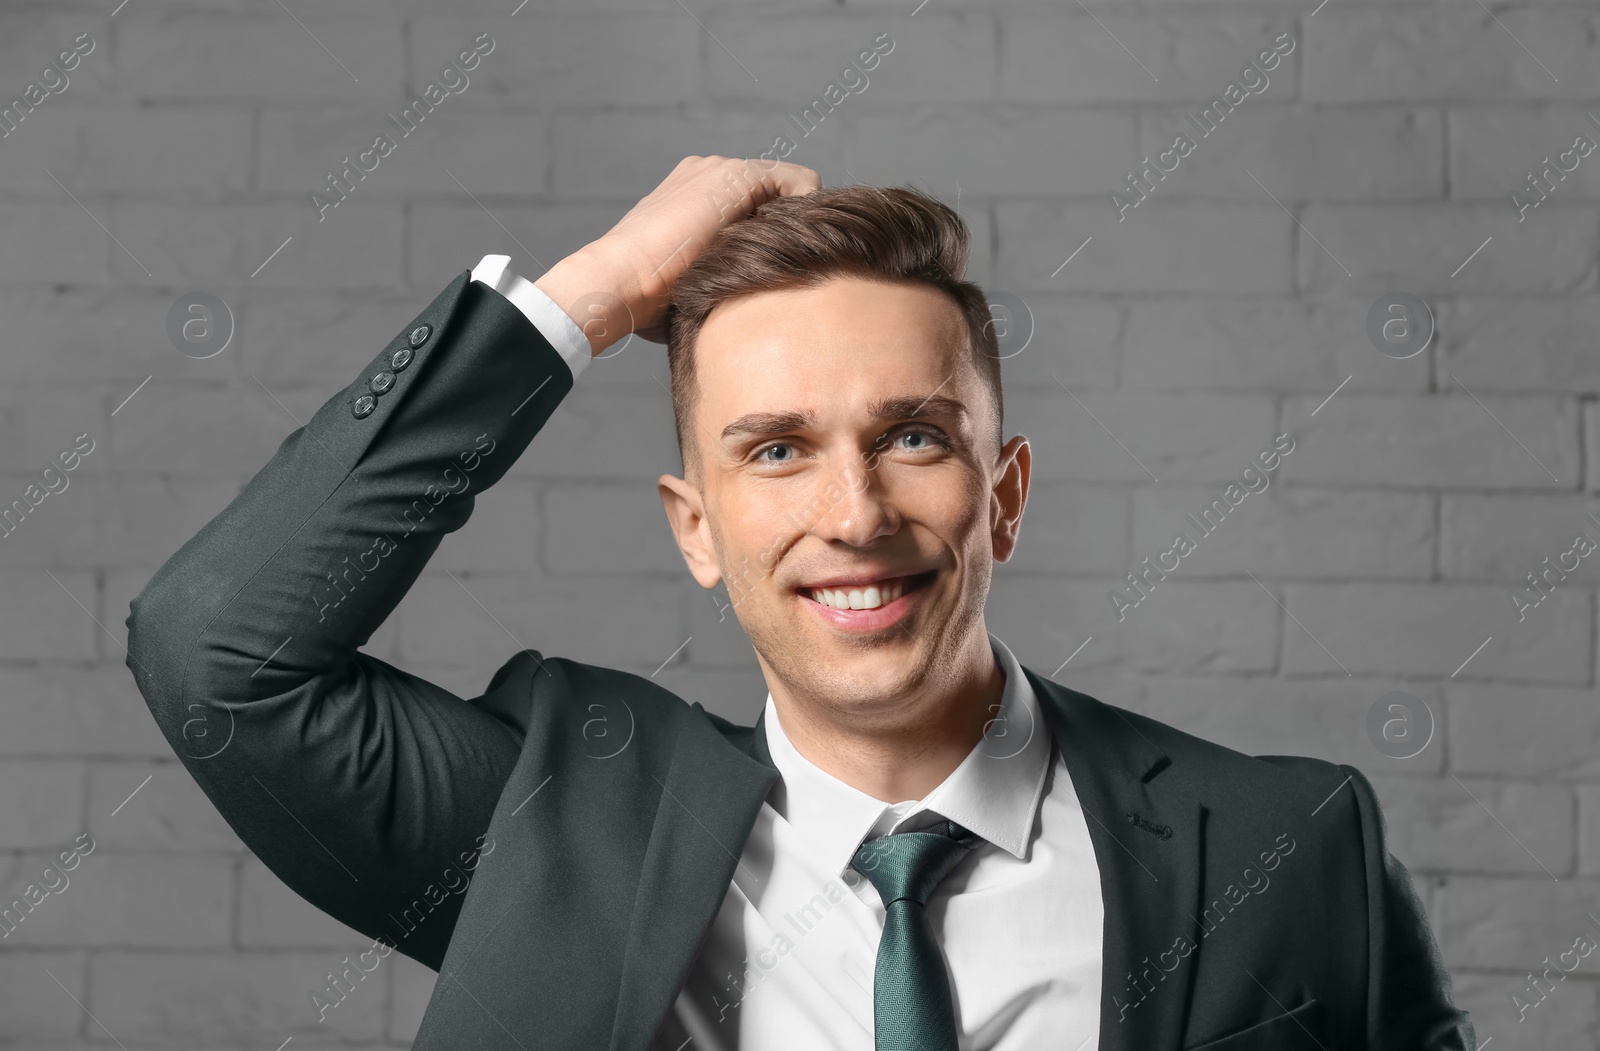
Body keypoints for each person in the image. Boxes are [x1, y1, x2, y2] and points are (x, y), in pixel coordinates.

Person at [125, 156, 1475, 1050]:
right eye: (776, 450)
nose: (854, 515)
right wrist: (593, 294)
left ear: (1003, 494)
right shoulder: (553, 828)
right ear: (696, 530)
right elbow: (217, 652)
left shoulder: (1292, 849)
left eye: (914, 438)